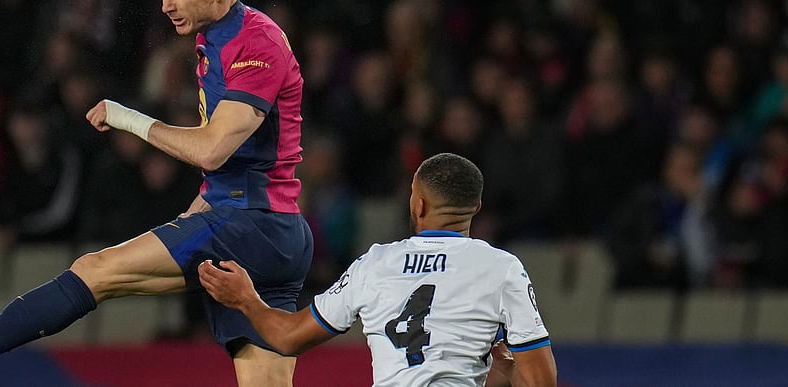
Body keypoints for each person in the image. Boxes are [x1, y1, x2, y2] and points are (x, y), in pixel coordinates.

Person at [0, 0, 312, 386]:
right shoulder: (215, 38)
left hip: (252, 227)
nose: (166, 5)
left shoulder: (255, 43)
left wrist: (128, 118)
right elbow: (237, 163)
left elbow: (214, 148)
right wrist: (195, 212)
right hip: (265, 230)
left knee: (94, 271)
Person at [199, 153, 557, 387]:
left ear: (418, 203)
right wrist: (508, 372)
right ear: (476, 206)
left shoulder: (374, 263)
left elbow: (288, 338)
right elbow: (541, 381)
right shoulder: (502, 269)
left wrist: (246, 300)